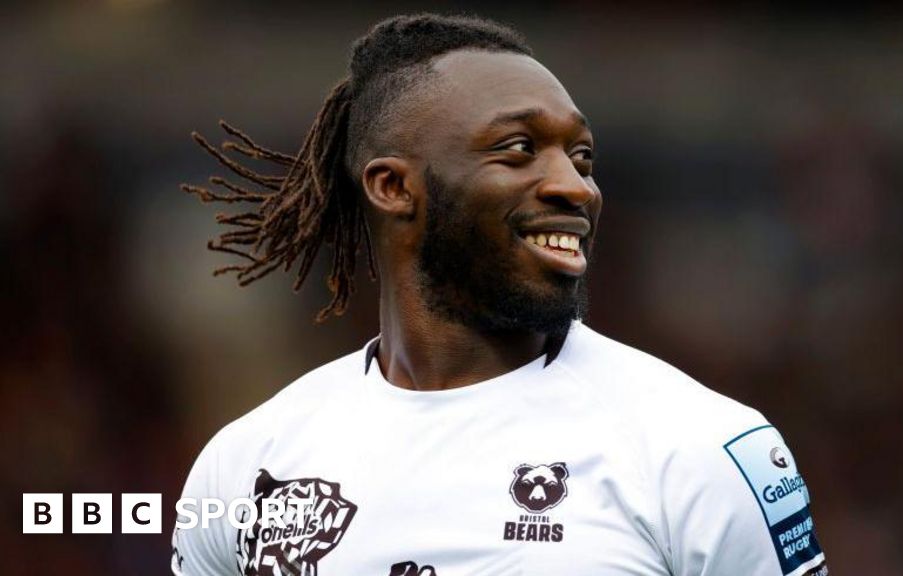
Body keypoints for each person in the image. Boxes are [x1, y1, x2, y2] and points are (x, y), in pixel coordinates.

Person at [173, 13, 827, 576]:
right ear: (393, 187)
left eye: (582, 157)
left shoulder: (702, 451)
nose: (575, 187)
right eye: (519, 149)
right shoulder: (247, 462)